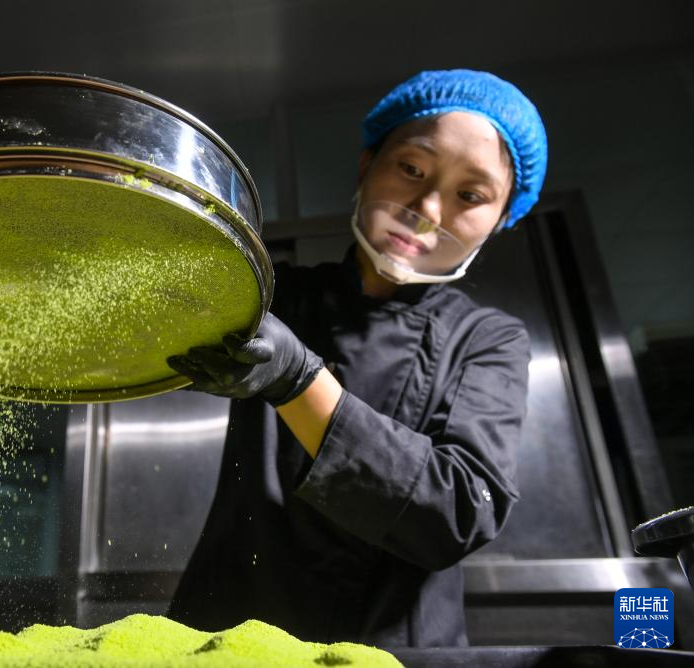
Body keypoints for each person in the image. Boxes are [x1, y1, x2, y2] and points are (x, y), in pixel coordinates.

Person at [166, 69, 548, 647]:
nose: (427, 208)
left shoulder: (488, 339)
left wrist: (298, 380)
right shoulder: (273, 295)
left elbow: (458, 511)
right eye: (412, 169)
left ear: (501, 220)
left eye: (470, 196)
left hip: (389, 646)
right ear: (367, 164)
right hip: (227, 633)